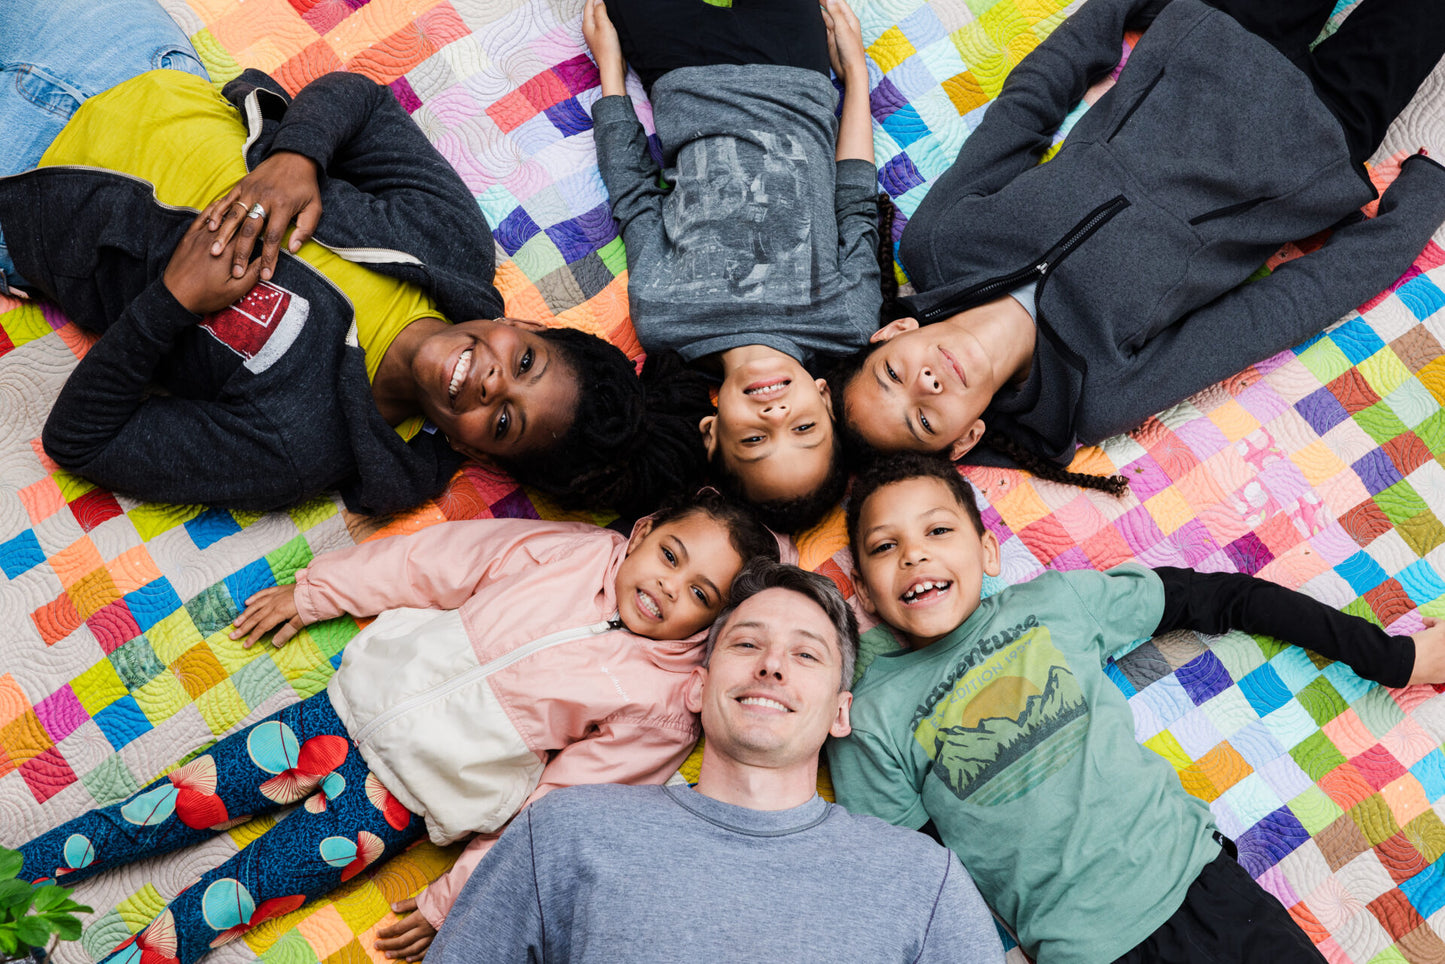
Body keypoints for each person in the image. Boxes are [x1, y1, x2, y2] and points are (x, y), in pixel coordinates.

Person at [0, 0, 711, 517]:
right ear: (524, 328)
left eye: (504, 423)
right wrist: (297, 157)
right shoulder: (450, 244)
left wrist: (172, 303)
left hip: (22, 193)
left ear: (476, 454)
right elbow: (363, 102)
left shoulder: (297, 447)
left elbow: (81, 440)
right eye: (524, 363)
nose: (493, 383)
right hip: (118, 54)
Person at [13, 492, 778, 964]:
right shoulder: (567, 551)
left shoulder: (663, 702)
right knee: (161, 808)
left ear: (714, 623)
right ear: (642, 530)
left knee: (236, 899)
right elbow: (431, 561)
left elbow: (562, 809)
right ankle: (17, 878)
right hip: (334, 716)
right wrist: (318, 591)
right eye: (670, 554)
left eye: (698, 593)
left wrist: (459, 897)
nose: (667, 587)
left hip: (398, 803)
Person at [828, 454, 1445, 963]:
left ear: (988, 552)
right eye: (885, 546)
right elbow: (914, 879)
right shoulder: (869, 716)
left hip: (1206, 889)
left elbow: (1226, 596)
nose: (914, 555)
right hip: (1086, 950)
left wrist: (1396, 659)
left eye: (938, 530)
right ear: (865, 592)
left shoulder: (1054, 603)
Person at [832, 0, 1445, 491]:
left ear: (893, 333)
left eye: (892, 374)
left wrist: (1116, 8)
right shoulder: (1097, 394)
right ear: (964, 439)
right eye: (923, 420)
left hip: (1213, 39)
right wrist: (1419, 203)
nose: (926, 383)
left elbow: (1026, 108)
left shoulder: (939, 243)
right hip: (1318, 136)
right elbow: (1275, 312)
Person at [427, 559, 1004, 963]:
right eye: (747, 644)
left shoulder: (923, 880)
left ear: (840, 712)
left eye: (806, 655)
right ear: (697, 689)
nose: (772, 665)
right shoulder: (563, 830)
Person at [582, 0, 882, 532]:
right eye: (804, 429)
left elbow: (635, 197)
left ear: (711, 432)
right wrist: (856, 76)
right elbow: (856, 201)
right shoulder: (848, 323)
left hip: (680, 75)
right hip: (796, 70)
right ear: (825, 399)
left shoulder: (666, 323)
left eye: (755, 440)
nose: (776, 416)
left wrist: (611, 72)